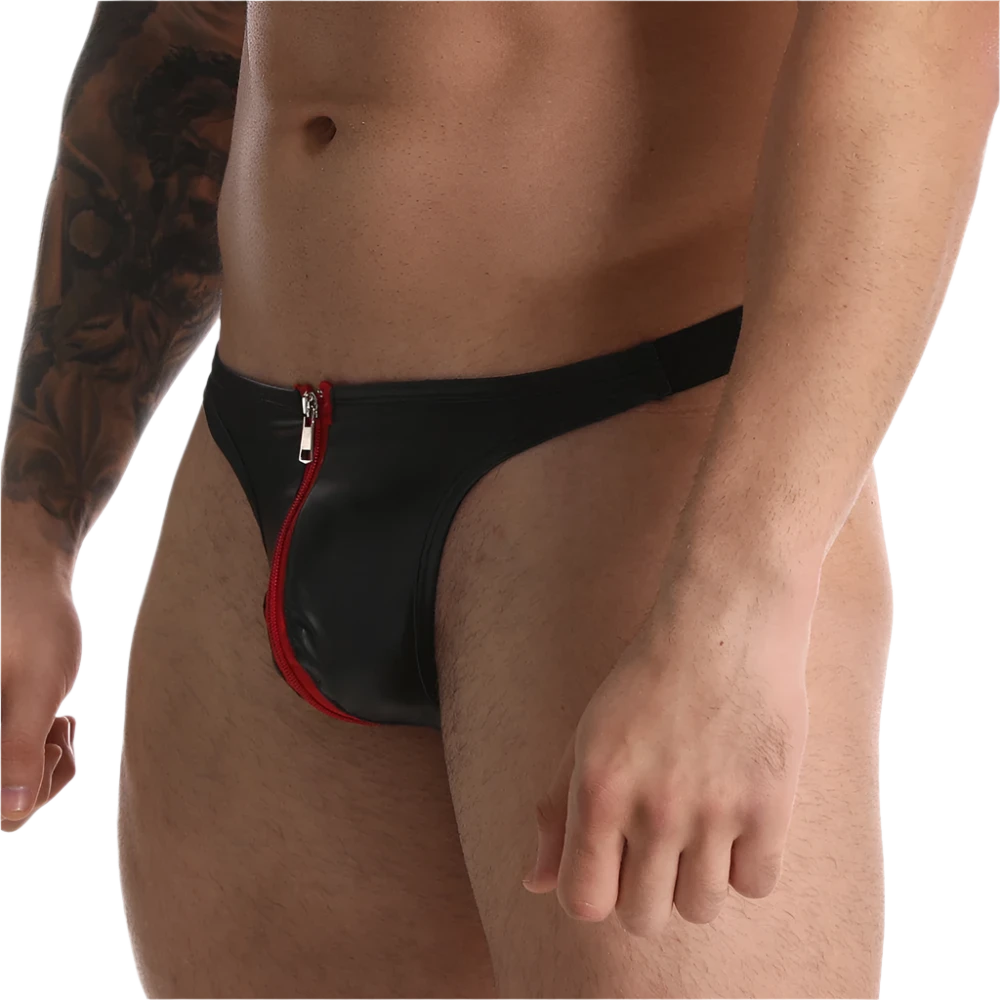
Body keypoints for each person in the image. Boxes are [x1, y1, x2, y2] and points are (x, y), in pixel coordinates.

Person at [0, 0, 993, 996]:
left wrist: (740, 604)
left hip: (625, 464)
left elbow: (924, 29)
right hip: (255, 461)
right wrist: (34, 520)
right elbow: (182, 23)